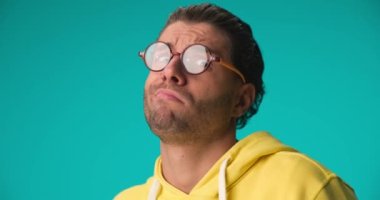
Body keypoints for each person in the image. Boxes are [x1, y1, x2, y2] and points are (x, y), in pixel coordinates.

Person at [115, 3, 357, 200]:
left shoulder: (302, 187)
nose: (170, 70)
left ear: (241, 100)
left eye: (199, 60)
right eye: (161, 54)